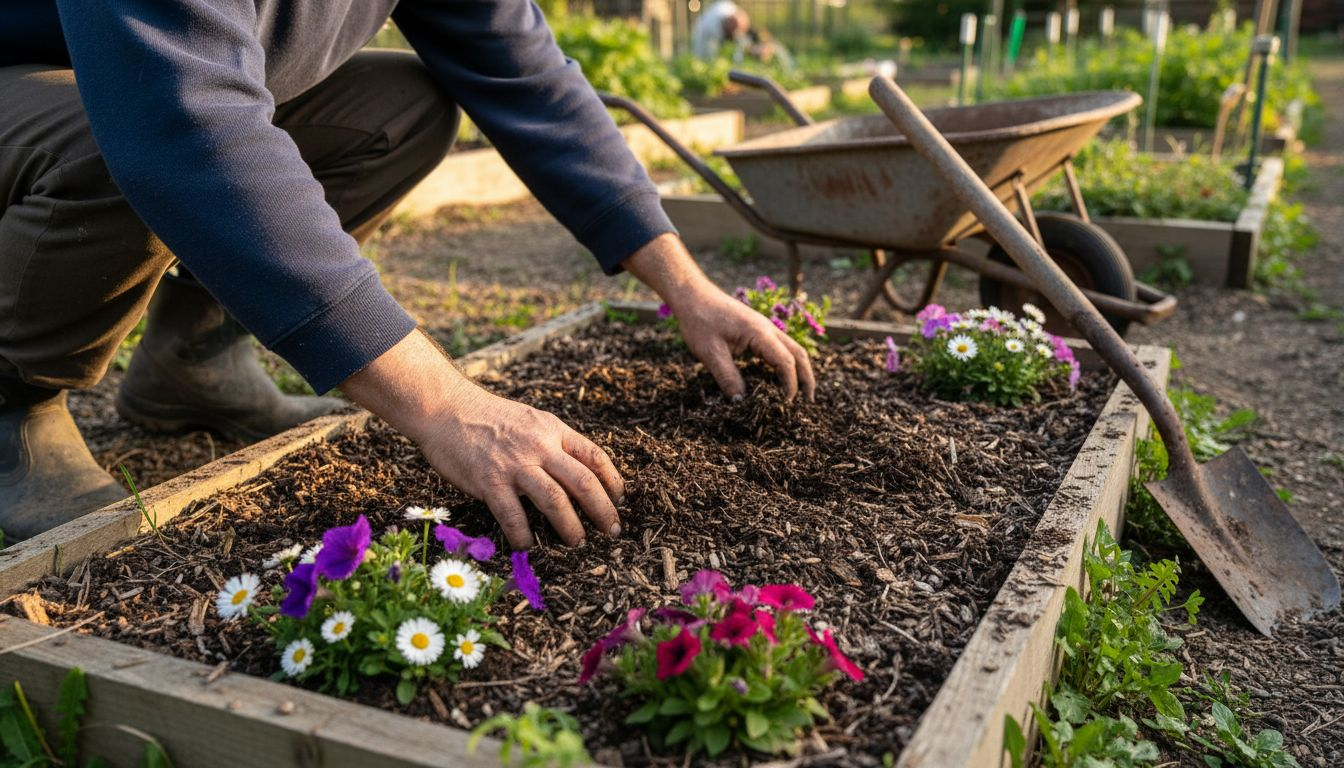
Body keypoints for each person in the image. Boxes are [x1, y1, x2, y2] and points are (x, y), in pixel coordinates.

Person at [0, 2, 815, 546]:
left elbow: (528, 78)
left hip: (138, 88)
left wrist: (685, 285)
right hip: (44, 77)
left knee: (400, 109)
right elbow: (178, 125)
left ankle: (191, 364)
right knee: (111, 144)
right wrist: (444, 404)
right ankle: (13, 403)